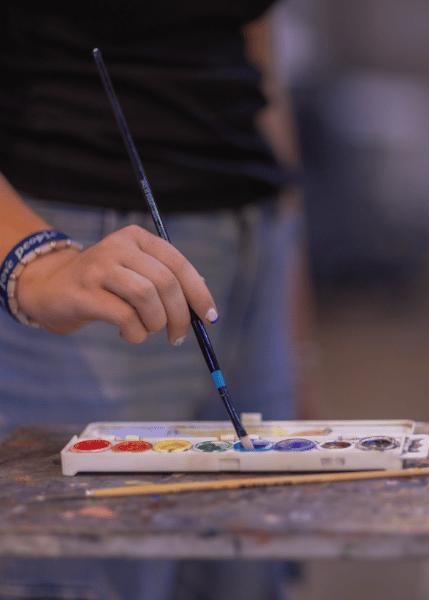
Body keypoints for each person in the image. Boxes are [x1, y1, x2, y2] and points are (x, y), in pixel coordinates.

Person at [0, 1, 311, 598]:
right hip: (90, 260)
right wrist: (32, 260)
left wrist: (296, 331)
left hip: (254, 238)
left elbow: (252, 42)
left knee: (252, 573)